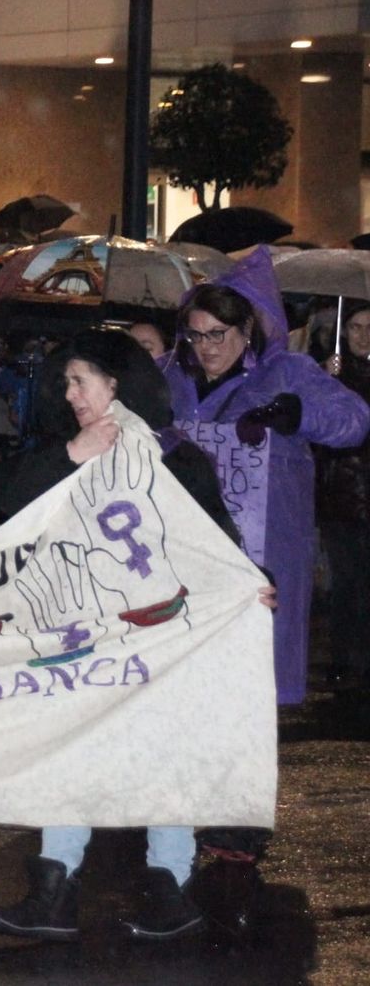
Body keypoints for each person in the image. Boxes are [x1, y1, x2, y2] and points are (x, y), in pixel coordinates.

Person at [0, 326, 274, 942]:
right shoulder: (65, 451)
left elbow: (217, 545)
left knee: (161, 757)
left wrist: (254, 586)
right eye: (65, 382)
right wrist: (71, 456)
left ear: (116, 386)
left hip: (159, 642)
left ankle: (170, 889)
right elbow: (6, 500)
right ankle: (52, 890)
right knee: (73, 755)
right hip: (79, 640)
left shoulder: (175, 460)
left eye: (78, 381)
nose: (68, 394)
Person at [160, 250, 369, 706]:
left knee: (250, 683)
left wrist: (297, 412)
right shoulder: (170, 379)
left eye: (218, 334)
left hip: (263, 549)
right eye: (195, 336)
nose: (206, 347)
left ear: (247, 330)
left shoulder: (286, 373)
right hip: (184, 549)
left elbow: (354, 420)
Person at [316, 300, 370, 687]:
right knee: (346, 580)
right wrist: (324, 383)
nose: (363, 336)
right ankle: (343, 657)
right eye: (355, 327)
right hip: (341, 496)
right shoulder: (330, 375)